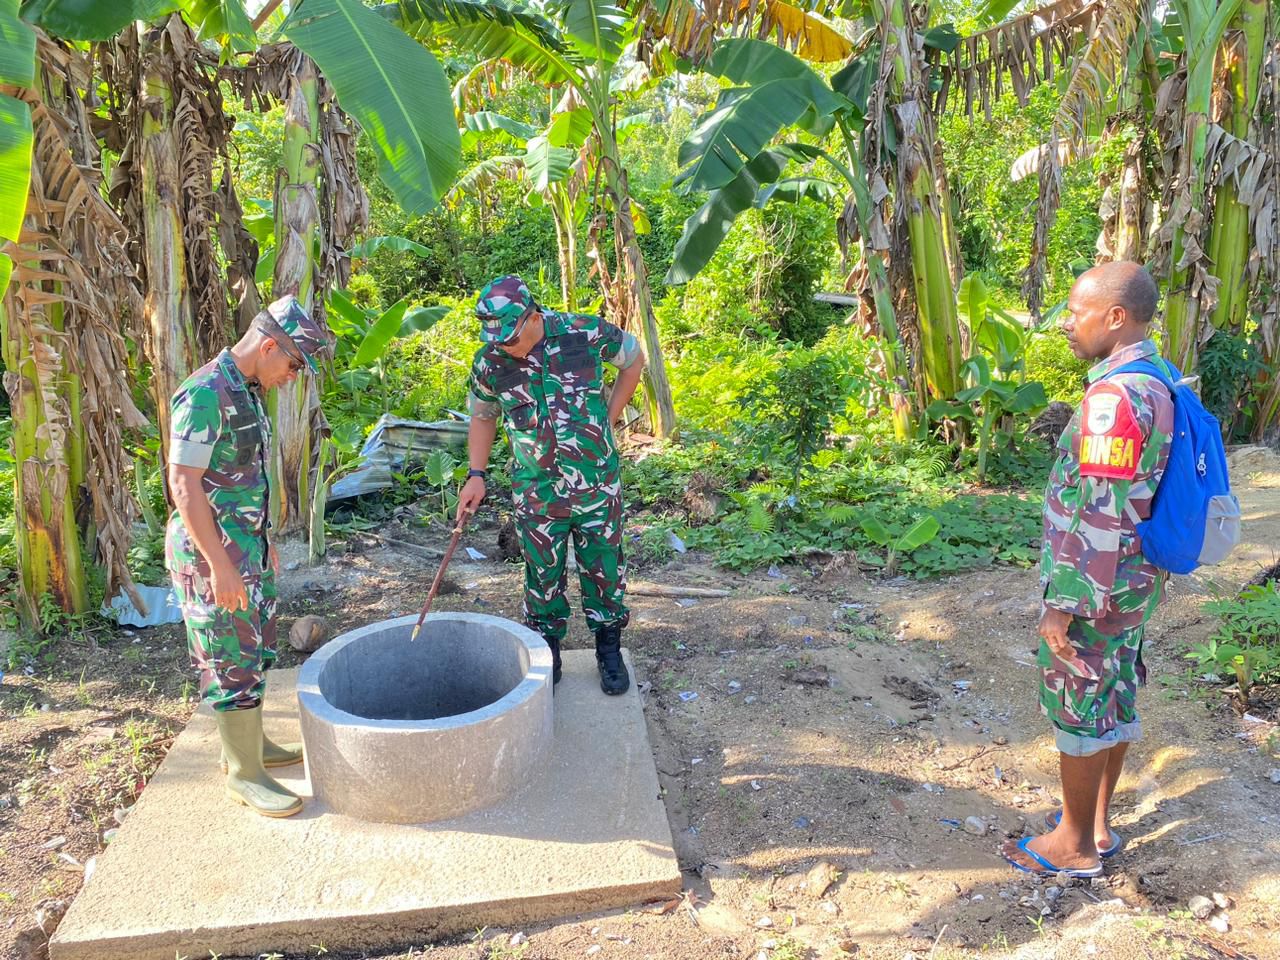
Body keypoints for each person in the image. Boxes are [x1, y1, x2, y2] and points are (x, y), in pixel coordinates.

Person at [1002, 261, 1174, 877]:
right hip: (1133, 576)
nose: (1067, 324)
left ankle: (1072, 846)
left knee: (1079, 693)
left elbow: (1099, 508)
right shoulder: (1158, 380)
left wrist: (1063, 603)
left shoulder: (1114, 397)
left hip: (1098, 581)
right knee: (1114, 686)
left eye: (1077, 312)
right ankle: (1097, 825)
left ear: (1116, 316)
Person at [165, 296, 330, 818]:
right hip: (211, 556)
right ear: (268, 346)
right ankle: (242, 773)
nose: (293, 375)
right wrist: (220, 565)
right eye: (294, 363)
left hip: (245, 547)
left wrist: (264, 542)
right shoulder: (206, 394)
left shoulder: (247, 391)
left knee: (254, 649)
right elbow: (183, 485)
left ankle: (251, 746)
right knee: (229, 657)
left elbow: (243, 480)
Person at [457, 275, 647, 695]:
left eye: (510, 337)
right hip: (537, 492)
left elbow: (633, 360)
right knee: (542, 576)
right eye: (496, 339)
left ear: (533, 317)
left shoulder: (584, 332)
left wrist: (608, 420)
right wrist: (476, 475)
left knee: (605, 569)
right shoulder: (490, 362)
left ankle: (609, 650)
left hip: (597, 485)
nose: (505, 346)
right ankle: (548, 653)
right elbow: (483, 417)